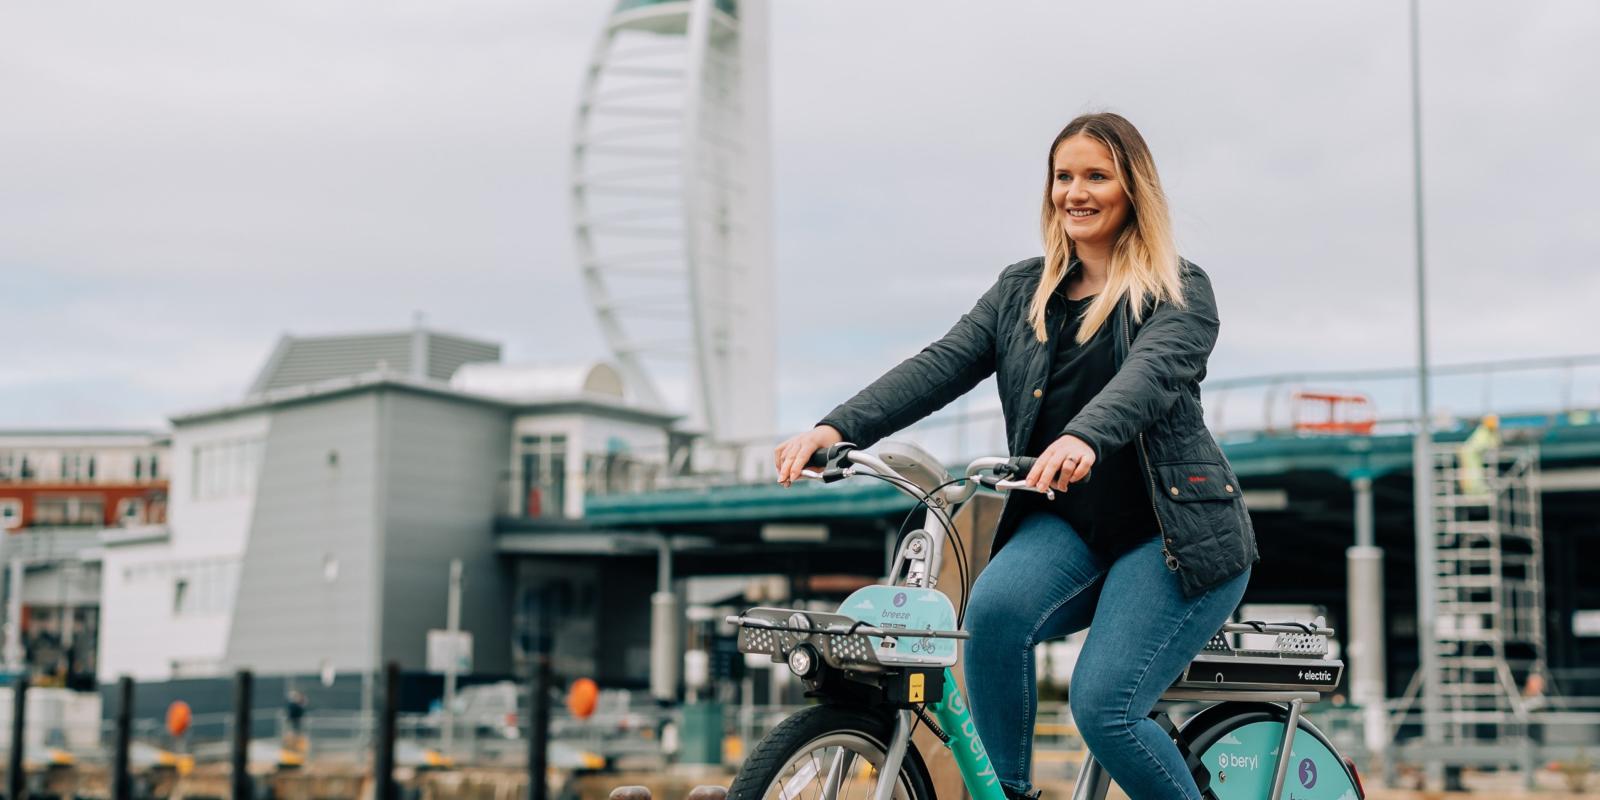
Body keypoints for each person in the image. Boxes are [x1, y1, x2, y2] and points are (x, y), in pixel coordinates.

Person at [773, 112, 1257, 800]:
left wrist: (1084, 436)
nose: (1075, 192)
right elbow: (937, 366)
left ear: (1133, 190)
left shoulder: (1178, 289)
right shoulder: (1019, 293)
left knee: (1104, 708)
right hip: (1068, 524)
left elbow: (1146, 378)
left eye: (1097, 175)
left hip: (1174, 536)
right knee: (993, 619)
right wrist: (834, 429)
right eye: (1064, 177)